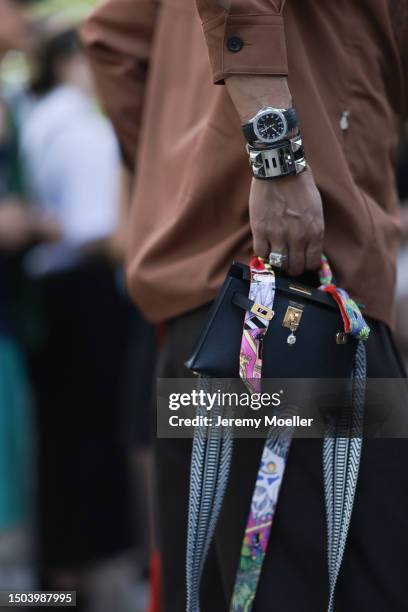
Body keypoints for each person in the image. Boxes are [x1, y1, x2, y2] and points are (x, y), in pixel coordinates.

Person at [81, 1, 408, 611]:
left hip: (207, 324)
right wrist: (272, 158)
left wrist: (188, 183)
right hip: (301, 305)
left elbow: (111, 40)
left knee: (224, 591)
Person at [20, 26, 136, 601]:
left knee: (60, 441)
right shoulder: (81, 127)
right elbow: (102, 233)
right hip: (85, 293)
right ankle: (86, 575)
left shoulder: (36, 116)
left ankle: (57, 579)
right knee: (92, 437)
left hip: (47, 294)